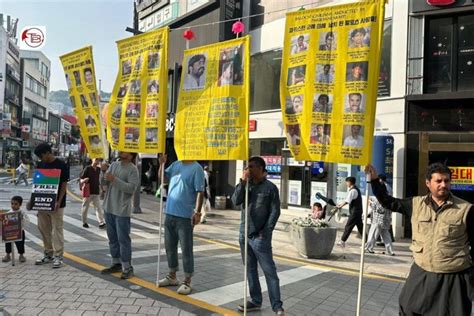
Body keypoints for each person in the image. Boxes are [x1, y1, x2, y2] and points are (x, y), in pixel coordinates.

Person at [365, 163, 474, 316]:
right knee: (408, 308)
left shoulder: (466, 209)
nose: (444, 184)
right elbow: (388, 201)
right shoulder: (416, 204)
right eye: (439, 181)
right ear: (428, 183)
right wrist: (374, 180)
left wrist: (470, 279)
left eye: (447, 181)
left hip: (453, 277)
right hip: (421, 273)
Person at [231, 156, 285, 315]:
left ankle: (277, 306)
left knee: (270, 271)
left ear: (261, 169)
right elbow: (235, 201)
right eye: (247, 167)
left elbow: (275, 212)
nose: (249, 169)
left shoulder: (270, 188)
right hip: (244, 234)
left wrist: (266, 232)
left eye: (252, 167)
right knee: (250, 270)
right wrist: (242, 182)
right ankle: (255, 301)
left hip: (260, 237)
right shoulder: (244, 185)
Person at [157, 154, 205, 295]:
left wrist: (197, 212)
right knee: (169, 247)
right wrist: (162, 164)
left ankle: (187, 280)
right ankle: (172, 276)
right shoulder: (176, 164)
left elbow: (200, 192)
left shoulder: (197, 168)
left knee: (186, 249)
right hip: (170, 213)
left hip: (185, 216)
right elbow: (163, 178)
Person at [28, 143, 69, 268]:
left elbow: (63, 185)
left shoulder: (61, 165)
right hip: (42, 203)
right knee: (43, 228)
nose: (40, 159)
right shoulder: (41, 165)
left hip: (57, 204)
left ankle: (58, 256)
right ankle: (48, 253)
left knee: (57, 229)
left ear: (47, 152)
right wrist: (32, 201)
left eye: (41, 156)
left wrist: (58, 201)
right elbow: (37, 185)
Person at [100, 151, 139, 279]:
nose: (121, 153)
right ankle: (115, 262)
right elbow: (105, 183)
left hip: (122, 210)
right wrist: (103, 172)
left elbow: (131, 188)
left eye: (124, 152)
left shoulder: (133, 170)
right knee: (112, 238)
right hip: (109, 206)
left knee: (123, 239)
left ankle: (127, 267)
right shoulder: (114, 165)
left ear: (131, 155)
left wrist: (114, 179)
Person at [365, 174, 394, 256]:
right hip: (386, 218)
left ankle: (369, 248)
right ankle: (390, 250)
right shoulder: (389, 192)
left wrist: (370, 203)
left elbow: (377, 207)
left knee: (373, 233)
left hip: (379, 219)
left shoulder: (381, 196)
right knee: (386, 235)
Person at [336, 176, 364, 248]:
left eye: (346, 182)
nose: (346, 184)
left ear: (349, 182)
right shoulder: (356, 189)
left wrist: (340, 206)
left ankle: (342, 241)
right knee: (360, 228)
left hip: (355, 212)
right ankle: (366, 242)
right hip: (358, 211)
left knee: (348, 226)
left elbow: (347, 201)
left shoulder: (353, 191)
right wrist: (340, 205)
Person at [80, 158, 106, 229]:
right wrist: (84, 180)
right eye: (96, 159)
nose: (97, 161)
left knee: (98, 208)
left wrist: (101, 189)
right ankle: (84, 222)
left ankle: (101, 222)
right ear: (92, 159)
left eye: (98, 160)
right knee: (85, 207)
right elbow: (81, 179)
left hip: (96, 191)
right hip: (88, 191)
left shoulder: (98, 169)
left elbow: (100, 180)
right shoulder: (87, 168)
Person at [2, 196, 28, 263]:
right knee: (7, 243)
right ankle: (8, 255)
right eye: (12, 203)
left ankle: (21, 255)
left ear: (20, 205)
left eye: (16, 204)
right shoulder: (9, 212)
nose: (13, 205)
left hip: (19, 231)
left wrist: (22, 218)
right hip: (9, 231)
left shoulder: (22, 213)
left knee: (20, 244)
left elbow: (26, 221)